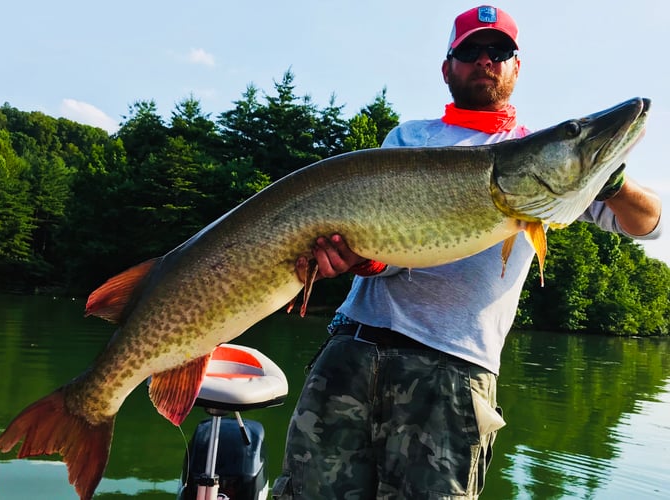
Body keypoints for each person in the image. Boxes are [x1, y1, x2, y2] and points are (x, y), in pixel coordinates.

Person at [271, 5, 663, 499]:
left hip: (454, 370)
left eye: (499, 51)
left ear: (516, 66)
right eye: (470, 51)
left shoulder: (545, 164)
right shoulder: (409, 139)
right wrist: (356, 259)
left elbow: (648, 224)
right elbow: (384, 247)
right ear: (447, 67)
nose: (485, 60)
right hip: (354, 349)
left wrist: (615, 183)